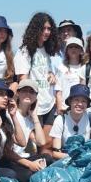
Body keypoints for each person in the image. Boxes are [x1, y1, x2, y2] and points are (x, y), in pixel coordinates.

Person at [16, 12, 61, 145]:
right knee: (36, 145)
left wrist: (51, 74)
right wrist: (29, 105)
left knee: (47, 144)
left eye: (49, 29)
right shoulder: (25, 51)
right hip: (35, 105)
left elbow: (45, 70)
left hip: (49, 103)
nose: (46, 32)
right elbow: (23, 80)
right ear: (35, 29)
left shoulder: (47, 50)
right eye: (43, 28)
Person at [8, 79, 48, 182]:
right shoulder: (10, 113)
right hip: (13, 160)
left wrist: (34, 116)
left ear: (35, 96)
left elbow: (41, 142)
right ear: (18, 93)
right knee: (29, 176)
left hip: (25, 158)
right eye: (24, 91)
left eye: (31, 92)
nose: (28, 94)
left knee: (48, 158)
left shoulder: (30, 118)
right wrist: (30, 164)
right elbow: (6, 152)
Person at [50, 85, 91, 159]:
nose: (80, 104)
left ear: (87, 104)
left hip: (86, 158)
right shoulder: (60, 119)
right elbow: (56, 153)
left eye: (83, 101)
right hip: (65, 159)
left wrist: (87, 156)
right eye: (76, 100)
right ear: (70, 101)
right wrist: (74, 158)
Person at [57, 37, 85, 113]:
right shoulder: (61, 67)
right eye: (70, 47)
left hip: (81, 108)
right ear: (66, 51)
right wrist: (59, 109)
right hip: (64, 108)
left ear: (81, 50)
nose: (73, 49)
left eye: (76, 47)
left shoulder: (85, 67)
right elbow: (58, 91)